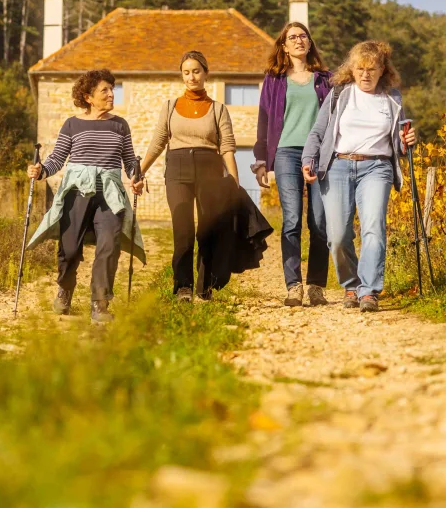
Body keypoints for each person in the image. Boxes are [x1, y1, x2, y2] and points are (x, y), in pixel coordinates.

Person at [137, 50, 271, 301]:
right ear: (182, 75)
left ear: (205, 74)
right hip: (177, 170)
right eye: (186, 72)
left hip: (210, 170)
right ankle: (183, 287)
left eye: (196, 71)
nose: (191, 77)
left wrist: (234, 182)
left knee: (208, 231)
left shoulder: (218, 109)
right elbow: (157, 142)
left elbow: (228, 148)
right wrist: (140, 171)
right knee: (183, 231)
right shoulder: (169, 107)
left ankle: (205, 286)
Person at [302, 40, 416, 314]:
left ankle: (369, 291)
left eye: (372, 69)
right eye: (360, 68)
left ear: (382, 70)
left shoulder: (392, 98)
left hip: (377, 168)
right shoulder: (340, 95)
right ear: (352, 70)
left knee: (373, 228)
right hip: (339, 166)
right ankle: (351, 285)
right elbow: (318, 133)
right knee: (338, 234)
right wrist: (309, 159)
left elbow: (400, 142)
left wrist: (407, 140)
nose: (366, 74)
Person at [26, 69, 145, 324]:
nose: (112, 94)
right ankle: (65, 289)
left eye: (112, 89)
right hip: (76, 193)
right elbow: (57, 159)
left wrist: (137, 178)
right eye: (105, 90)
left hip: (109, 194)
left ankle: (100, 303)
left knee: (109, 245)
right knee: (69, 249)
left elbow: (129, 161)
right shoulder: (72, 124)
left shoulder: (120, 125)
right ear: (88, 96)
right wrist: (40, 171)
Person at [253, 21, 332, 307]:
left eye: (303, 36)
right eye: (292, 37)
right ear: (284, 46)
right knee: (292, 220)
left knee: (320, 221)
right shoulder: (274, 80)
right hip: (286, 152)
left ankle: (316, 286)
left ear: (309, 43)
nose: (299, 40)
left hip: (321, 155)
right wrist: (261, 159)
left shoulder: (325, 79)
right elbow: (263, 120)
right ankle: (293, 285)